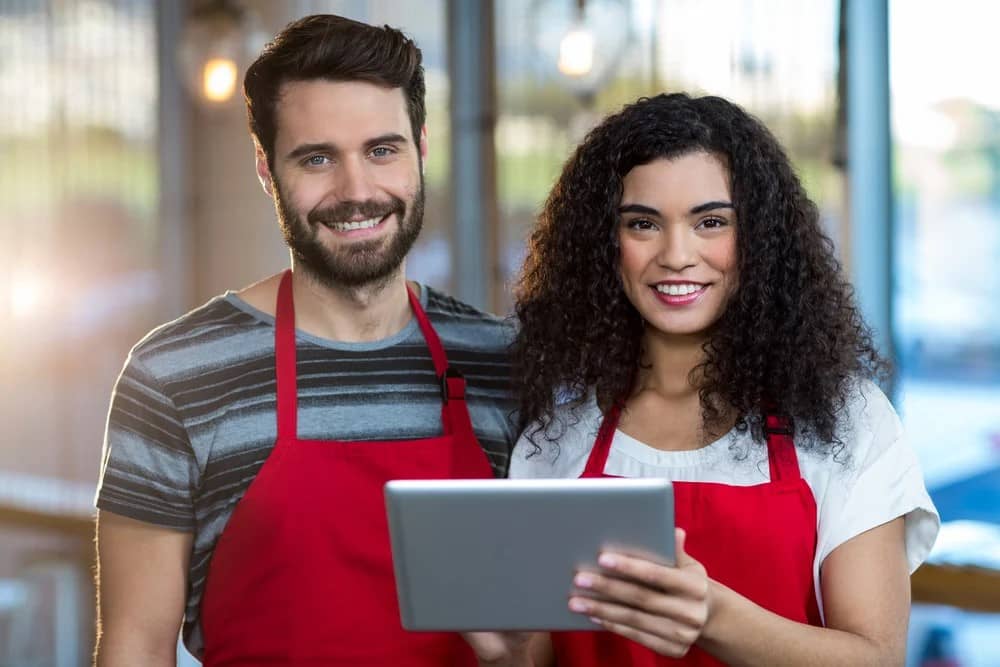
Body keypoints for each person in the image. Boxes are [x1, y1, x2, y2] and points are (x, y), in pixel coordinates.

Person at [94, 14, 523, 667]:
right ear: (267, 170)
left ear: (422, 149)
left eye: (382, 150)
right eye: (317, 158)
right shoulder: (176, 375)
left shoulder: (502, 363)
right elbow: (136, 647)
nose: (356, 191)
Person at [508, 93, 940, 665]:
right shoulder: (557, 434)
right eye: (643, 224)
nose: (677, 255)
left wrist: (710, 615)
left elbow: (877, 659)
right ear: (605, 247)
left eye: (711, 222)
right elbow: (532, 655)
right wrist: (499, 654)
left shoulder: (843, 419)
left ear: (759, 239)